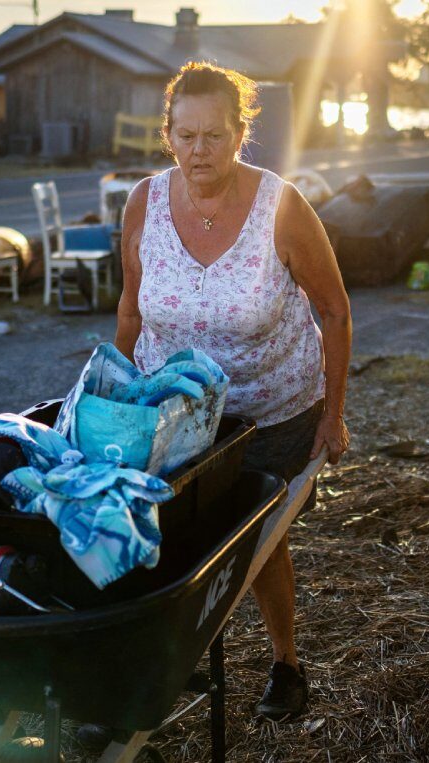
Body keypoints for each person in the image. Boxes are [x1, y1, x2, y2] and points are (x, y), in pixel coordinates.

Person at [114, 62, 352, 721]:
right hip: (175, 415)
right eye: (185, 135)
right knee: (169, 537)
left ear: (239, 132)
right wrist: (119, 396)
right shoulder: (143, 203)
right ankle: (165, 665)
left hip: (270, 412)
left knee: (258, 539)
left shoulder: (281, 205)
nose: (199, 151)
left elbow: (333, 310)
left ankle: (285, 663)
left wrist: (333, 416)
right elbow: (131, 309)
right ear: (167, 135)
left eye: (213, 135)